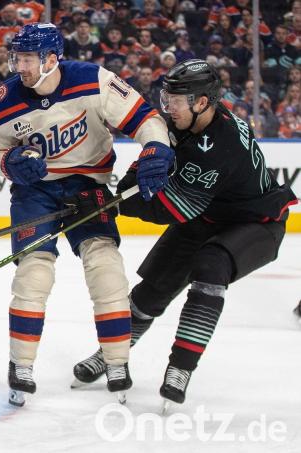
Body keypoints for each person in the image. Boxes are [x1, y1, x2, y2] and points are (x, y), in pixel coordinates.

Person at [71, 60, 298, 407]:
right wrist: (122, 192)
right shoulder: (185, 122)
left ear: (202, 102)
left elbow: (169, 210)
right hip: (208, 215)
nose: (167, 107)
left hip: (256, 224)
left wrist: (112, 206)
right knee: (153, 290)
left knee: (211, 265)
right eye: (166, 97)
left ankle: (181, 367)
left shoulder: (221, 146)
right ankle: (111, 354)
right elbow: (149, 164)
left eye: (176, 100)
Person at [0, 23, 170, 407]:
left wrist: (155, 149)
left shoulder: (94, 80)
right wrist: (12, 163)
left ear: (52, 60)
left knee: (106, 267)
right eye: (17, 57)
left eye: (28, 58)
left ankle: (117, 361)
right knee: (34, 272)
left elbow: (145, 119)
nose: (19, 66)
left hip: (88, 186)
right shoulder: (3, 98)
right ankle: (20, 366)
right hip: (35, 192)